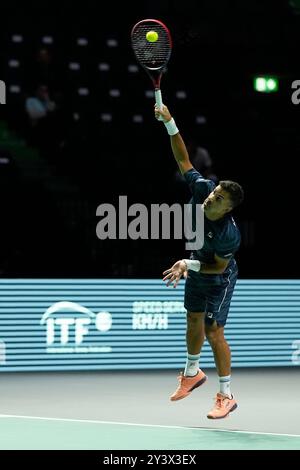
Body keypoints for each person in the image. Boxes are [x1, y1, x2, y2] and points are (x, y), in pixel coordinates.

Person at [154, 103, 244, 419]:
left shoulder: (228, 235)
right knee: (192, 318)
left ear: (228, 209)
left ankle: (226, 395)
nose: (211, 197)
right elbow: (182, 158)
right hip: (194, 262)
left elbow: (218, 267)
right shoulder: (202, 187)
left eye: (219, 199)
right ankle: (192, 372)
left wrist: (186, 264)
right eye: (214, 191)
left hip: (219, 276)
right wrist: (170, 122)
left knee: (212, 329)